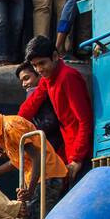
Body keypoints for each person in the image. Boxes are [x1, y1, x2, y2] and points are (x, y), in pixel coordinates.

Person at [20, 35, 94, 188]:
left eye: (42, 63)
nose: (39, 69)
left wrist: (76, 159)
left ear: (55, 56)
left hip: (79, 153)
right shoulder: (48, 78)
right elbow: (30, 106)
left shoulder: (68, 77)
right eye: (35, 65)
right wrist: (9, 125)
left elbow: (84, 120)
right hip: (69, 150)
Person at [15, 62, 65, 155]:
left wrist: (28, 133)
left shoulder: (36, 93)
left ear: (39, 75)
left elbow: (50, 121)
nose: (24, 84)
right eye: (21, 81)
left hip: (54, 147)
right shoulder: (38, 92)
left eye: (26, 78)